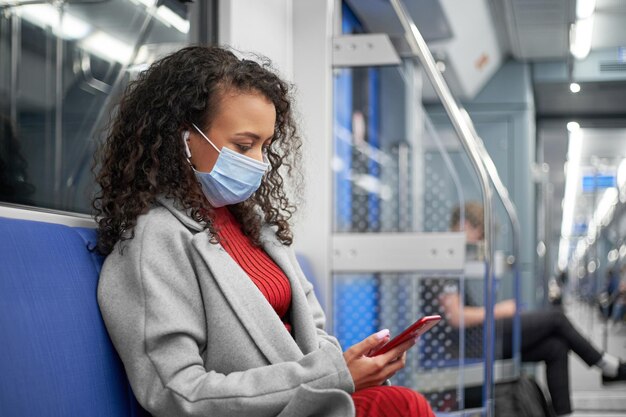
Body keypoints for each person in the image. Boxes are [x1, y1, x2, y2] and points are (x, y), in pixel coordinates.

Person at [94, 45, 435, 417]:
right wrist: (332, 376)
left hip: (305, 403)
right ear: (183, 138)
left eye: (265, 146)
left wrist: (351, 368)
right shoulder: (154, 241)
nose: (258, 163)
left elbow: (314, 336)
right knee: (402, 405)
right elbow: (178, 393)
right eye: (244, 145)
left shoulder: (256, 224)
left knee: (400, 403)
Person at [440, 202, 626, 416]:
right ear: (464, 225)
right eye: (480, 234)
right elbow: (455, 316)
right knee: (556, 318)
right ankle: (609, 367)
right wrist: (500, 310)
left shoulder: (451, 260)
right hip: (470, 345)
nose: (480, 242)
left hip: (478, 337)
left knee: (555, 347)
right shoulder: (443, 260)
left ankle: (566, 412)